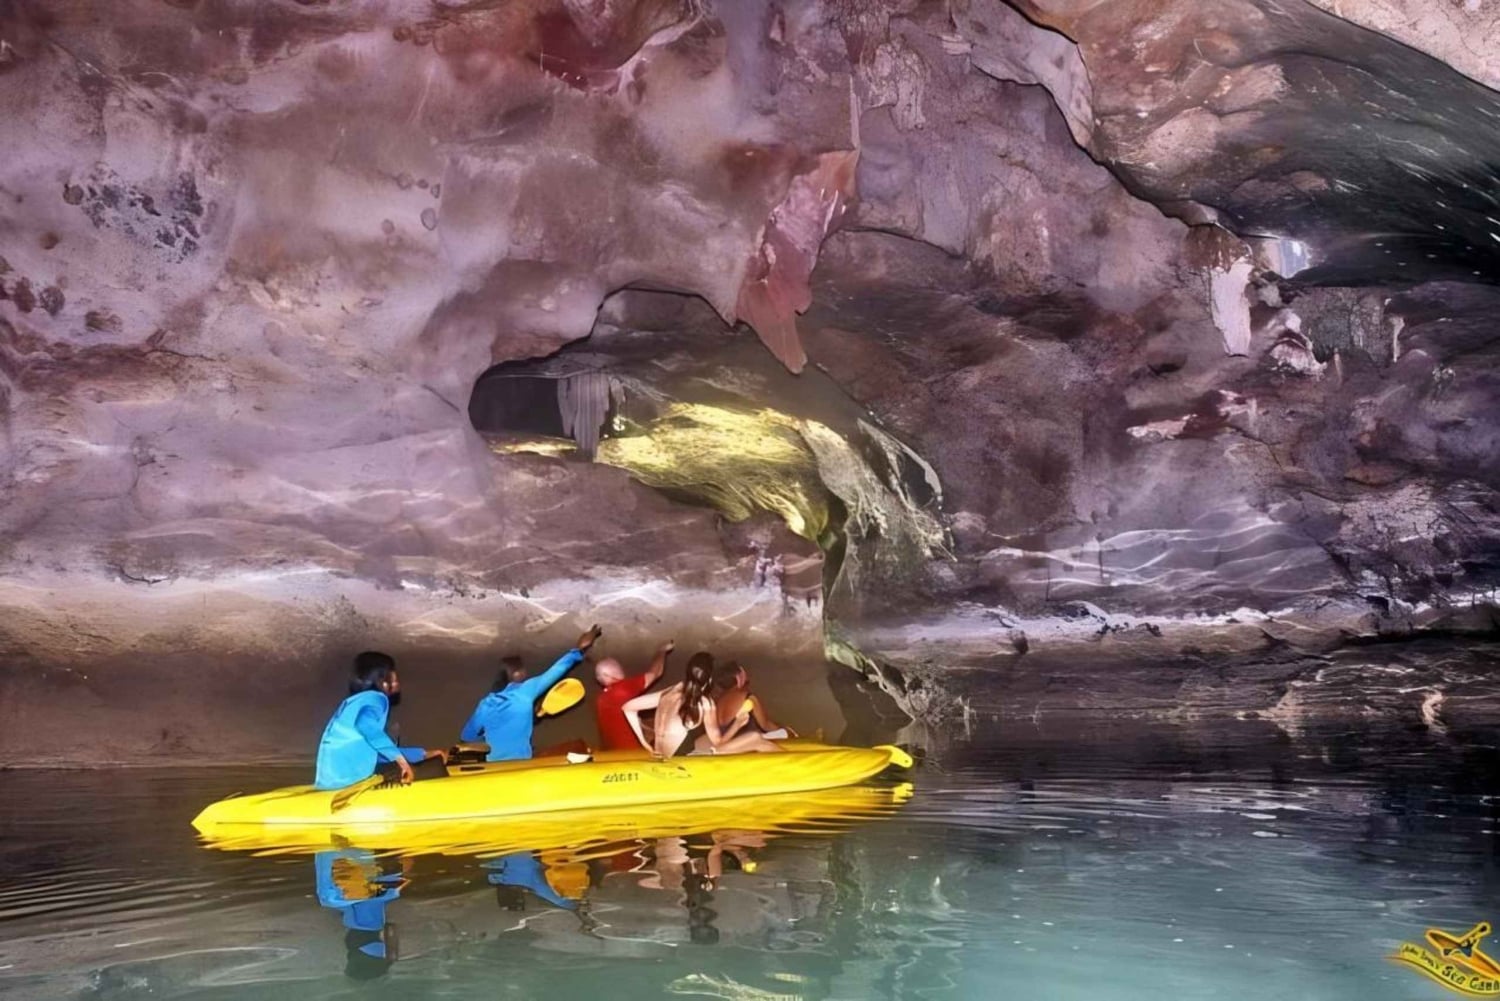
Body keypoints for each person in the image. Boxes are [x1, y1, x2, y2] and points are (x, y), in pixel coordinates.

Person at [460, 626, 601, 761]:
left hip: (492, 767)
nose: (525, 673)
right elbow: (557, 669)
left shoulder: (485, 704)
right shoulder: (525, 692)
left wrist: (492, 736)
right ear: (517, 674)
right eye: (522, 671)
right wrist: (579, 649)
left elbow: (467, 736)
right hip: (520, 764)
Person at [313, 651, 444, 791]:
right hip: (347, 780)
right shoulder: (376, 699)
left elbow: (374, 747)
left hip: (331, 778)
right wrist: (401, 762)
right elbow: (365, 725)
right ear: (383, 682)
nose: (397, 681)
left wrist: (421, 754)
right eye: (393, 675)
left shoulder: (355, 702)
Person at [622, 652, 782, 758]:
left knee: (705, 739)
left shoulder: (670, 691)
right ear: (710, 681)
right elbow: (720, 743)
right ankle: (799, 765)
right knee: (755, 738)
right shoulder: (705, 703)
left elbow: (628, 707)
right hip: (683, 761)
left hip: (661, 754)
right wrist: (738, 723)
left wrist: (645, 745)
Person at [594, 639, 674, 751]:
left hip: (612, 753)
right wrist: (661, 651)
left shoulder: (601, 698)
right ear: (609, 675)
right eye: (617, 667)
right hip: (633, 753)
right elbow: (655, 673)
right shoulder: (622, 689)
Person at [704, 660, 797, 746]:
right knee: (785, 733)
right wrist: (785, 730)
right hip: (745, 744)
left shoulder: (716, 703)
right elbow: (766, 725)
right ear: (739, 679)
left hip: (728, 745)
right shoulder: (748, 698)